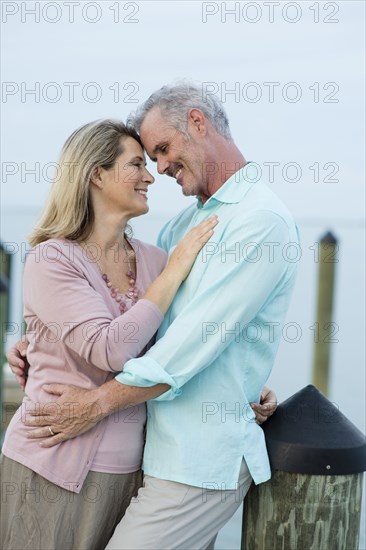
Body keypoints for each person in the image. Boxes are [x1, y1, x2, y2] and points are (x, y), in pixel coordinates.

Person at [12, 82, 300, 549]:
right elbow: (139, 324)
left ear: (197, 122)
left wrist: (96, 404)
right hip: (153, 453)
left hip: (199, 460)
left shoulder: (259, 221)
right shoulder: (180, 228)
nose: (159, 169)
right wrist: (41, 340)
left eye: (162, 150)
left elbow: (191, 347)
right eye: (148, 158)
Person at [0, 118, 222, 550]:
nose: (149, 176)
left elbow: (186, 344)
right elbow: (111, 349)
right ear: (96, 175)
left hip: (135, 476)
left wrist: (248, 387)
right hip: (50, 468)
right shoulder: (52, 259)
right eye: (136, 164)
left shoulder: (155, 260)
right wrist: (178, 269)